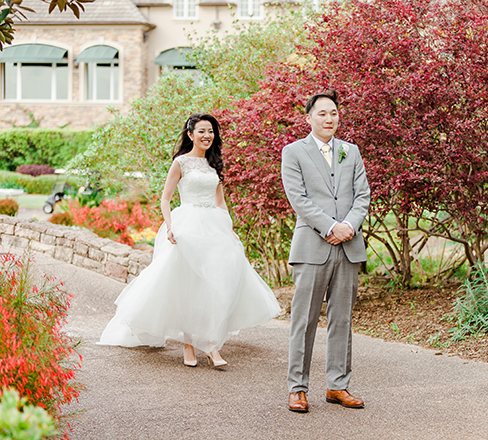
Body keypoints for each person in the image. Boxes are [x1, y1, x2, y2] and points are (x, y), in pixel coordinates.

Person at [99, 113, 281, 368]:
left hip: (213, 226)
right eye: (202, 131)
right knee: (187, 283)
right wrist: (171, 226)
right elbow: (165, 199)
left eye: (211, 131)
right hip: (186, 224)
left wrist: (228, 229)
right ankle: (187, 344)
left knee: (217, 283)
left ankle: (211, 345)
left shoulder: (214, 164)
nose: (207, 136)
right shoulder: (181, 163)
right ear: (190, 134)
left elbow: (221, 202)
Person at [281, 90, 371, 412]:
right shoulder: (293, 152)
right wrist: (331, 226)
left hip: (349, 246)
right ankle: (297, 387)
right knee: (303, 320)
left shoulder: (352, 151)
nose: (329, 118)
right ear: (309, 118)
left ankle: (338, 385)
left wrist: (348, 225)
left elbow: (362, 195)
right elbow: (298, 198)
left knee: (342, 319)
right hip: (312, 246)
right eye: (322, 113)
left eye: (333, 112)